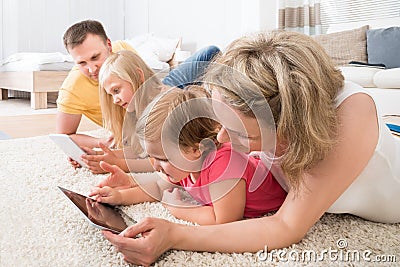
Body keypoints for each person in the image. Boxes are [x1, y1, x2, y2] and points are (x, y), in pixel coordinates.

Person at [99, 30, 400, 266]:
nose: (220, 141)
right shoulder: (248, 117)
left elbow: (285, 226)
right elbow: (190, 158)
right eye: (220, 124)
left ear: (289, 124)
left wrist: (176, 234)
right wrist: (135, 180)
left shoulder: (349, 116)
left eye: (242, 137)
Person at [89, 87, 286, 225]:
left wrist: (177, 207)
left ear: (196, 149)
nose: (156, 166)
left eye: (164, 159)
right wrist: (119, 197)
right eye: (152, 156)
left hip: (279, 186)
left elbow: (223, 220)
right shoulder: (186, 166)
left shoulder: (225, 166)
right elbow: (158, 187)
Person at [57, 19, 220, 173]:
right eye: (82, 63)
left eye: (95, 57)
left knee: (211, 52)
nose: (92, 69)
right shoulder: (72, 90)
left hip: (155, 96)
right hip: (140, 116)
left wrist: (117, 162)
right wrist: (101, 149)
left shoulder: (123, 51)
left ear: (109, 45)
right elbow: (63, 136)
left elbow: (159, 159)